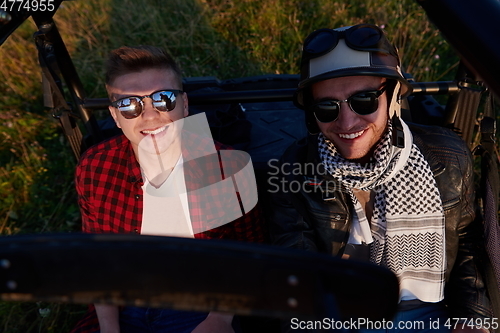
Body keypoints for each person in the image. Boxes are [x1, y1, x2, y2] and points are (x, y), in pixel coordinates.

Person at [268, 24, 493, 332]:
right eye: (326, 107)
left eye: (364, 101)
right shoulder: (293, 169)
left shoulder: (448, 156)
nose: (347, 122)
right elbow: (296, 272)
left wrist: (472, 319)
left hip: (431, 313)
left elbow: (467, 240)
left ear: (393, 95)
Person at [73, 45, 264, 333]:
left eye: (163, 99)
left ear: (184, 104)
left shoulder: (227, 169)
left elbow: (251, 257)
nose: (150, 117)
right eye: (130, 104)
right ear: (115, 116)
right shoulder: (94, 167)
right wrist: (109, 328)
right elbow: (98, 261)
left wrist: (219, 319)